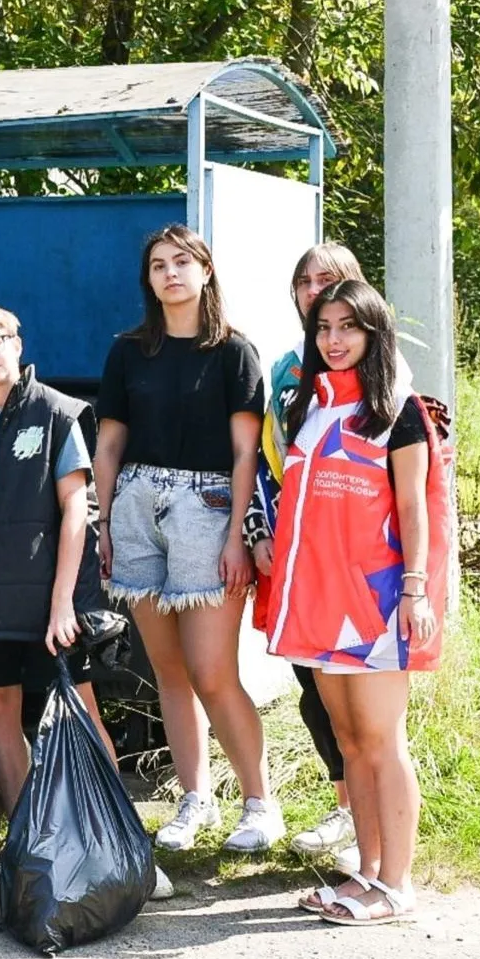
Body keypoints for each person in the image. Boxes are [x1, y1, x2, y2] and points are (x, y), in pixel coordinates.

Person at [0, 302, 176, 901]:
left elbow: (76, 510)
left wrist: (62, 605)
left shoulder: (57, 414)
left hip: (45, 603)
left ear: (17, 341)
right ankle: (33, 851)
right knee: (0, 717)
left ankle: (127, 849)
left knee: (83, 716)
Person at [267, 278, 451, 926]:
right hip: (318, 602)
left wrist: (414, 589)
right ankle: (367, 874)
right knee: (348, 744)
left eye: (348, 326)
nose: (335, 339)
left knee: (381, 741)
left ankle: (396, 884)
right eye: (324, 327)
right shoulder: (309, 408)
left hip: (373, 604)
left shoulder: (398, 412)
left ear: (374, 334)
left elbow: (414, 509)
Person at [95, 224, 284, 854]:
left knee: (211, 671)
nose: (170, 273)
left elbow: (245, 453)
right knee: (169, 671)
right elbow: (111, 443)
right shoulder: (128, 351)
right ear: (148, 280)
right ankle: (193, 798)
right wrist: (105, 521)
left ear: (205, 271)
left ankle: (259, 803)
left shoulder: (234, 352)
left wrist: (237, 536)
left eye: (182, 261)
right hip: (135, 506)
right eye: (158, 265)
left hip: (208, 508)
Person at [244, 242, 388, 871]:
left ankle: (378, 831)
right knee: (311, 686)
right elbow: (260, 458)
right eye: (304, 281)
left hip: (357, 562)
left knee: (365, 701)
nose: (313, 290)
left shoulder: (383, 373)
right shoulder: (284, 370)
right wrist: (257, 529)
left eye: (327, 281)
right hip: (291, 550)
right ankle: (345, 807)